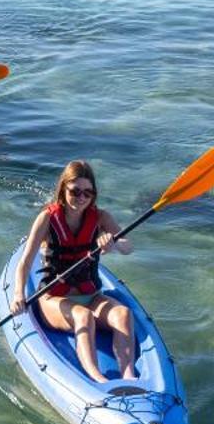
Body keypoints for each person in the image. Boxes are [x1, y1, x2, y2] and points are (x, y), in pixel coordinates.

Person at [10, 160, 138, 382]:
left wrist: (114, 244)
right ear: (63, 189)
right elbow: (25, 262)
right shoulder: (47, 219)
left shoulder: (101, 217)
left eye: (88, 192)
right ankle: (98, 379)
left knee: (123, 314)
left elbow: (129, 247)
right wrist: (18, 295)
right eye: (75, 191)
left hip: (92, 296)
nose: (81, 197)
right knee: (83, 316)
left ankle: (128, 376)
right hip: (55, 299)